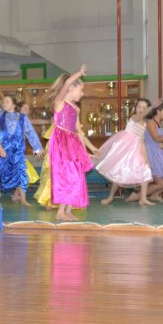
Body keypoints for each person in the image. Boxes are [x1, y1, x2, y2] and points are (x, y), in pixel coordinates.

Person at [45, 64, 99, 221]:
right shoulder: (59, 102)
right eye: (80, 90)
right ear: (71, 89)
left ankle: (68, 210)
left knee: (76, 174)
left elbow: (79, 133)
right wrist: (79, 73)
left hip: (72, 143)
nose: (82, 94)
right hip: (61, 143)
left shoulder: (75, 109)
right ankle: (60, 211)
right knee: (66, 175)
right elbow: (67, 82)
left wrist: (85, 153)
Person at [0, 86, 43, 206]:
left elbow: (30, 132)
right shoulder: (1, 115)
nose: (4, 103)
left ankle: (23, 200)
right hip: (3, 150)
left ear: (13, 104)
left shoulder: (22, 118)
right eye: (3, 101)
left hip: (17, 151)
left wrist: (37, 147)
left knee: (21, 173)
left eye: (7, 101)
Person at [97, 98, 155, 206]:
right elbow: (140, 116)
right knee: (119, 175)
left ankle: (143, 198)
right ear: (135, 108)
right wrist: (151, 107)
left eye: (144, 108)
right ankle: (110, 197)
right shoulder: (134, 118)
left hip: (136, 151)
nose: (141, 109)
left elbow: (142, 142)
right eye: (139, 107)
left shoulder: (144, 124)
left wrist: (146, 159)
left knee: (145, 170)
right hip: (125, 150)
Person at [19, 102, 41, 187]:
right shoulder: (17, 118)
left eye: (28, 109)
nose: (27, 110)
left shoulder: (25, 120)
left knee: (23, 171)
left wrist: (37, 148)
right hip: (12, 149)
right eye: (25, 108)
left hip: (19, 150)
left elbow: (35, 122)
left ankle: (18, 194)